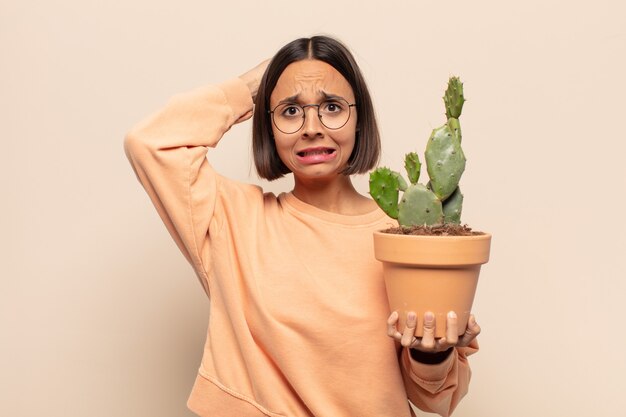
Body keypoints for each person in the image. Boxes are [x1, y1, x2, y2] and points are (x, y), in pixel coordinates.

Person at [124, 36, 480, 417]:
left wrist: (434, 352)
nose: (311, 127)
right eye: (291, 111)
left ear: (359, 120)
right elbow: (151, 143)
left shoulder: (405, 235)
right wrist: (250, 86)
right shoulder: (232, 220)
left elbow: (437, 398)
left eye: (331, 107)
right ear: (269, 126)